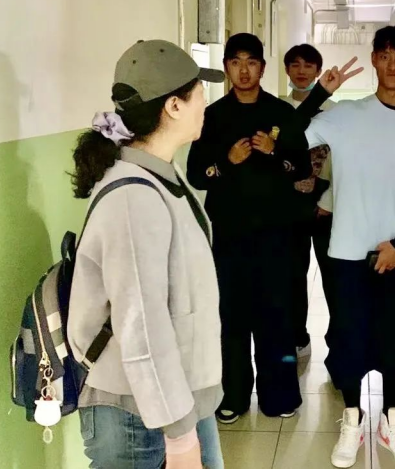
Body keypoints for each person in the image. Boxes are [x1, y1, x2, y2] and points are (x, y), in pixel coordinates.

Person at [68, 39, 226, 469]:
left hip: (179, 398)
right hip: (138, 416)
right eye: (199, 93)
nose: (205, 102)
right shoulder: (133, 197)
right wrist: (180, 437)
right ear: (174, 106)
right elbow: (142, 325)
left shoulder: (162, 174)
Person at [303, 25, 395, 469]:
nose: (392, 65)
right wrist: (319, 93)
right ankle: (352, 419)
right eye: (384, 56)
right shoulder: (345, 115)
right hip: (347, 252)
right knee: (349, 339)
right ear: (374, 59)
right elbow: (290, 135)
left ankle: (391, 421)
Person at [186, 33, 339, 425]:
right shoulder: (212, 116)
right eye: (235, 62)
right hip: (230, 234)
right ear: (226, 68)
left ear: (263, 69)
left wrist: (274, 153)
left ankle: (280, 393)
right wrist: (227, 161)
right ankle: (233, 394)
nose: (243, 70)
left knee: (277, 315)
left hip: (276, 233)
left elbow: (300, 167)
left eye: (251, 62)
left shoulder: (281, 113)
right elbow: (196, 175)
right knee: (232, 317)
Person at [283, 43, 337, 357]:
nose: (301, 71)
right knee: (292, 274)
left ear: (318, 70)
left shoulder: (335, 112)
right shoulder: (278, 110)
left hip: (328, 207)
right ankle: (297, 336)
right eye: (295, 65)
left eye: (308, 65)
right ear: (287, 70)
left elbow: (342, 160)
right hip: (289, 208)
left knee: (334, 275)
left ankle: (338, 341)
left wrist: (327, 197)